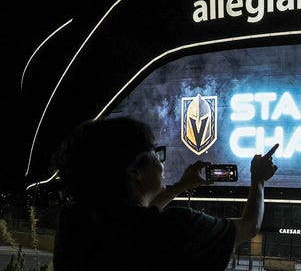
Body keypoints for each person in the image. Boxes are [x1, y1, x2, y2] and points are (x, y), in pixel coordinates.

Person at [51, 116, 278, 270]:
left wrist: (180, 186)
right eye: (155, 153)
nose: (161, 163)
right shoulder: (180, 227)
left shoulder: (74, 222)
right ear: (134, 170)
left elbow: (138, 221)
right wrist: (258, 180)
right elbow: (249, 226)